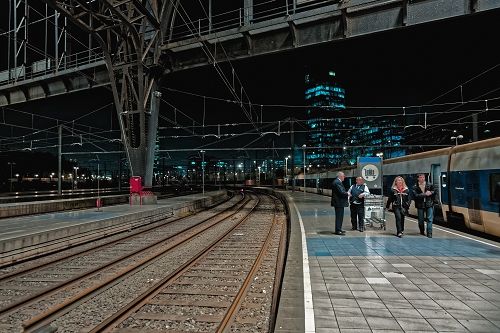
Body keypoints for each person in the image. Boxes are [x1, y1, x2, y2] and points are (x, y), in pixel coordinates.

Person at [412, 174, 437, 238]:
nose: (422, 178)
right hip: (420, 205)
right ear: (418, 178)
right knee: (421, 220)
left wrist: (431, 192)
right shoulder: (415, 186)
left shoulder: (430, 184)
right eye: (421, 177)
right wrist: (425, 194)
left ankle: (429, 233)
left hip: (429, 204)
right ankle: (422, 231)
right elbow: (416, 196)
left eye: (423, 177)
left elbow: (434, 191)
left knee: (429, 219)